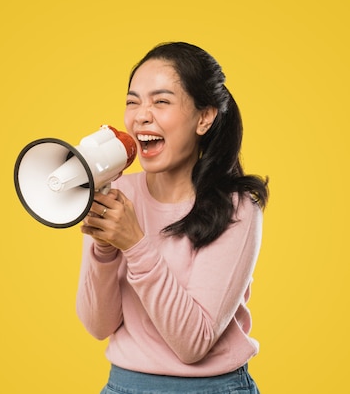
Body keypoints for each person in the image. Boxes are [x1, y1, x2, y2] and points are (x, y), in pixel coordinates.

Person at [77, 42, 269, 394]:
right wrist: (104, 251)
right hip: (122, 386)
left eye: (160, 101)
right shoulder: (118, 192)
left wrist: (134, 245)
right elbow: (99, 325)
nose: (141, 116)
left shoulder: (237, 207)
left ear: (204, 117)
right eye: (133, 101)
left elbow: (193, 343)